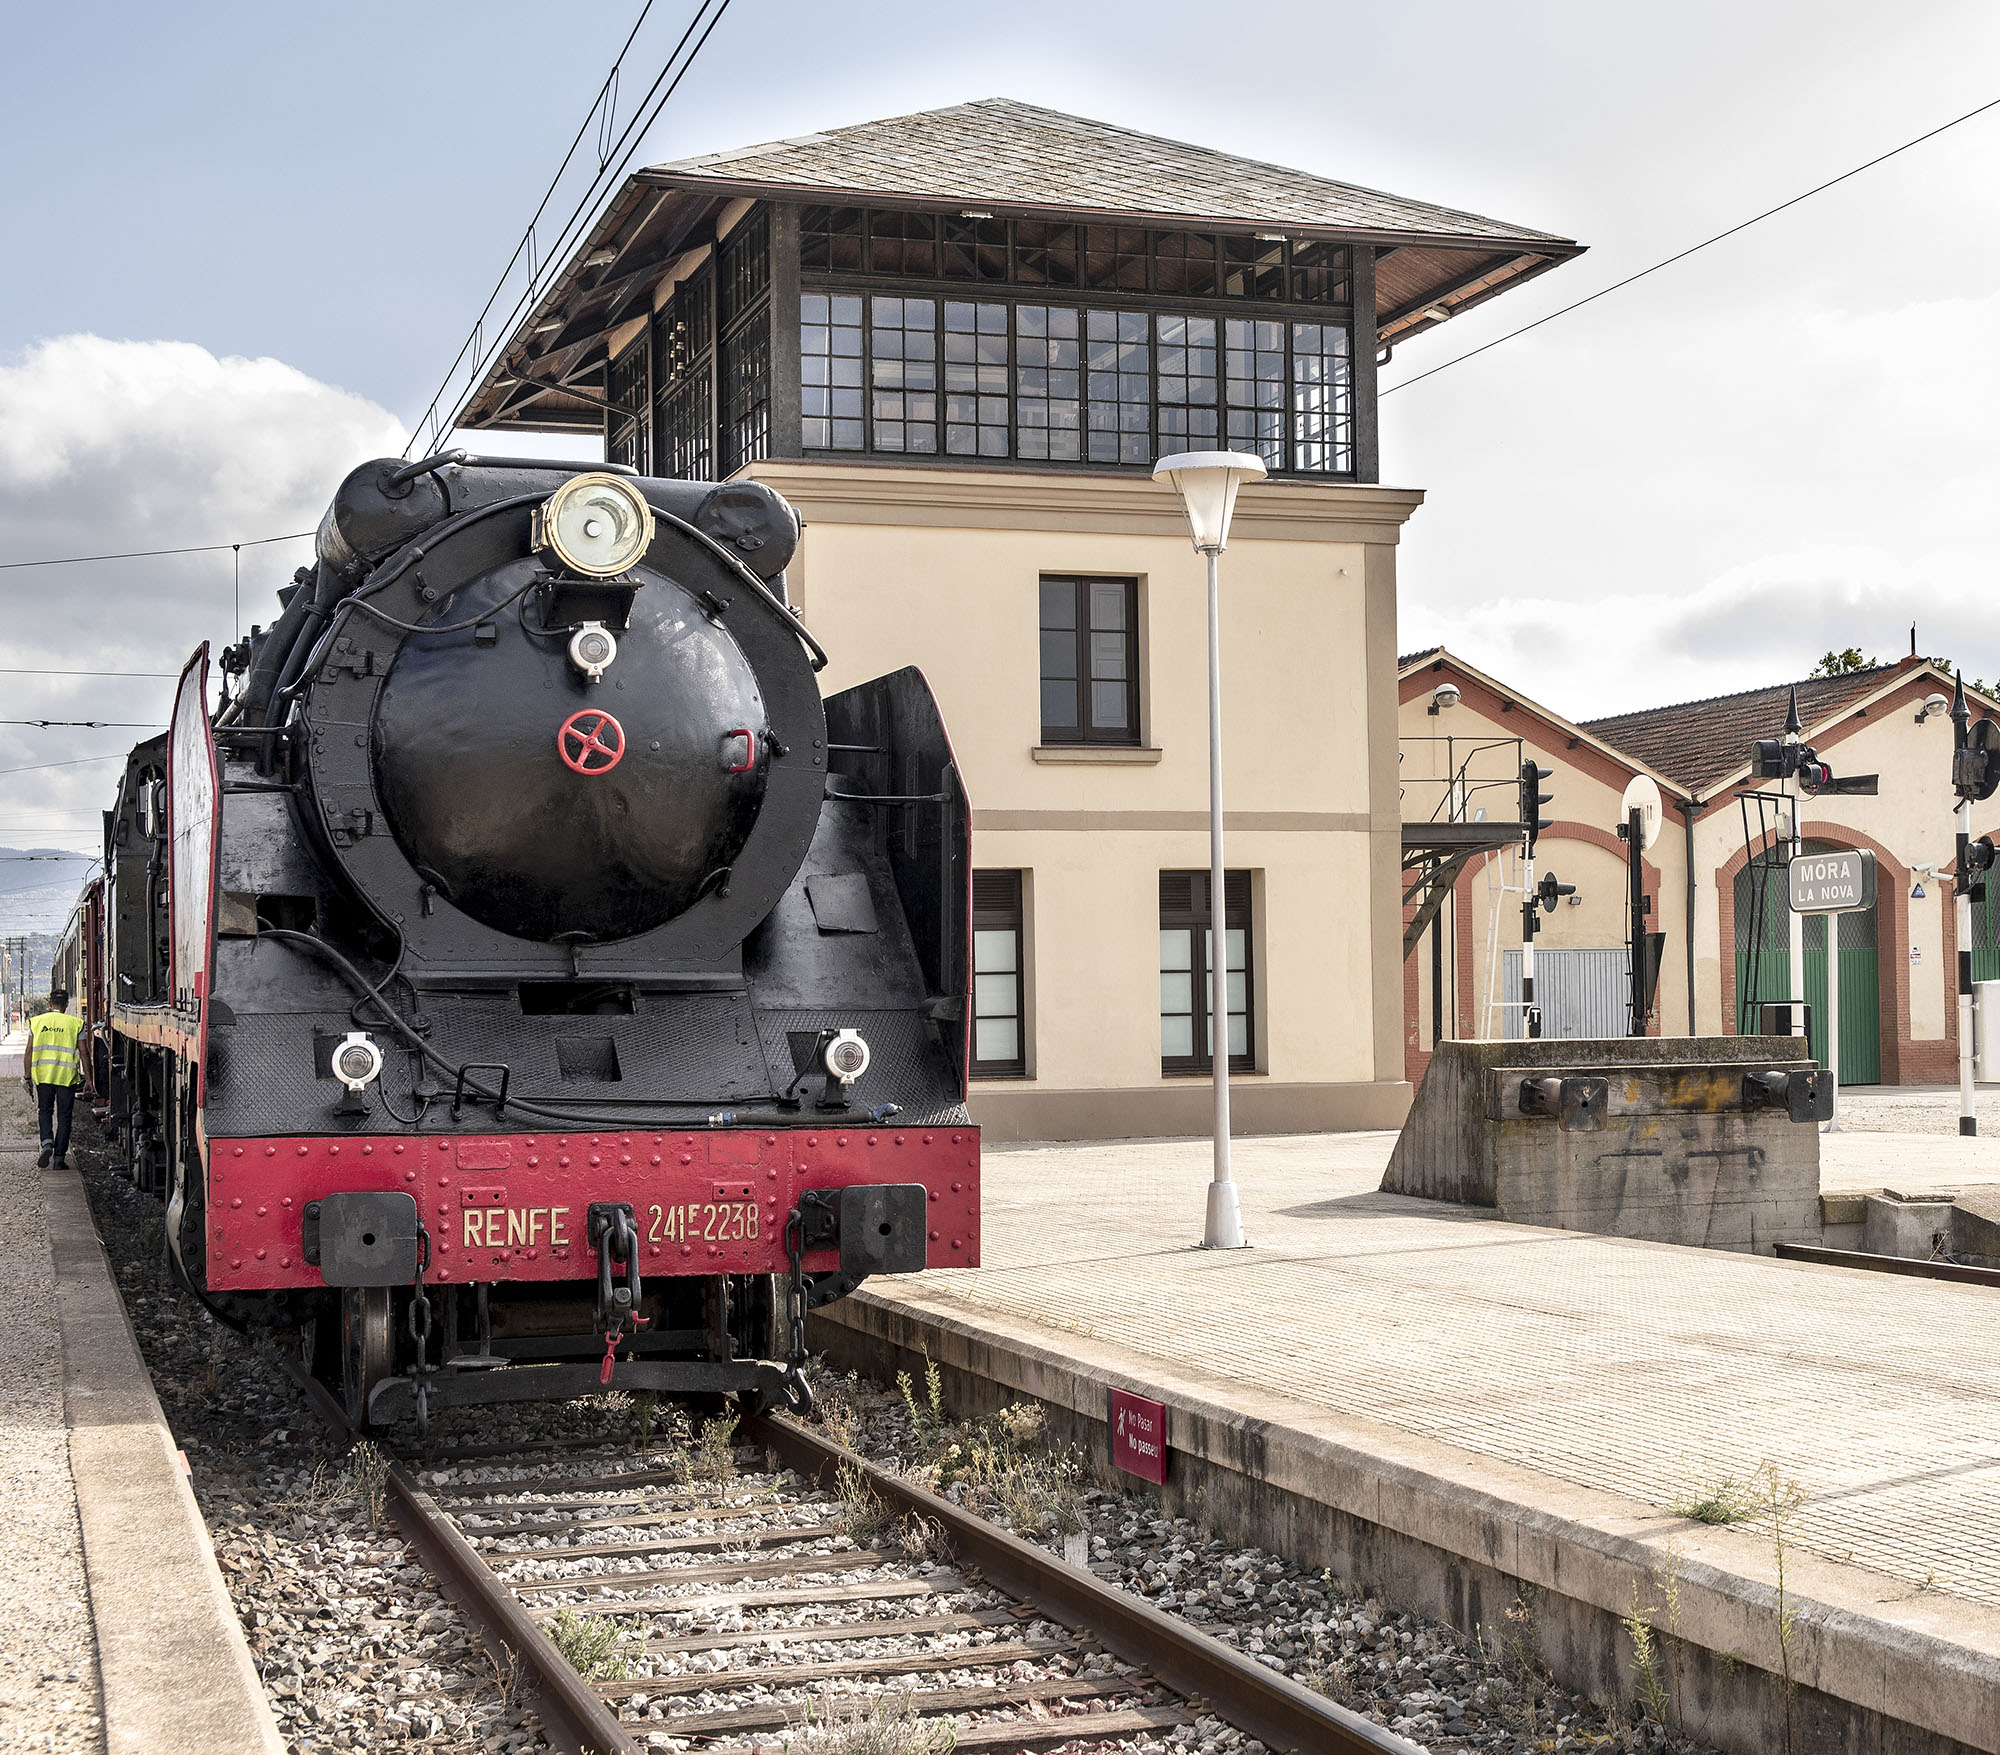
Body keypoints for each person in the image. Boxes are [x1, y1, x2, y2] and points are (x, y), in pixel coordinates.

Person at [24, 988, 84, 1169]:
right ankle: (59, 1159)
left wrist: (27, 1077)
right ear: (66, 1005)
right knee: (65, 1116)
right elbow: (85, 1053)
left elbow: (28, 1051)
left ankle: (47, 1143)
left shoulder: (37, 1022)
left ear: (50, 1004)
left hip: (43, 1077)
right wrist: (89, 1078)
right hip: (66, 1078)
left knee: (45, 1111)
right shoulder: (76, 1023)